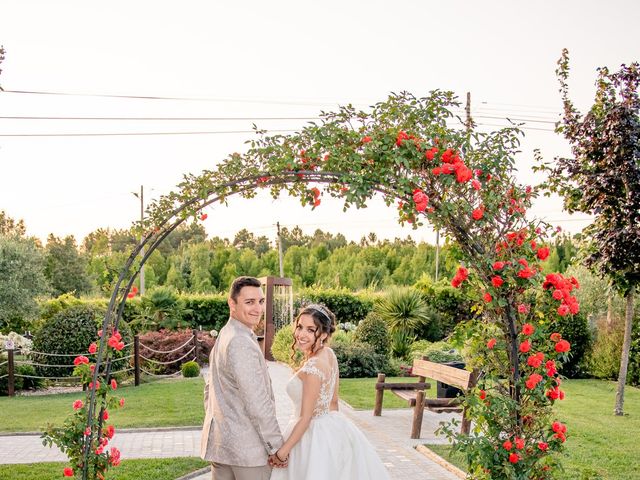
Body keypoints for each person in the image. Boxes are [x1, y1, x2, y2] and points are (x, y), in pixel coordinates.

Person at [270, 304, 391, 480]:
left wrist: (282, 453)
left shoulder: (313, 367)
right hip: (329, 426)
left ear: (324, 334)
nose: (302, 334)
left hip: (307, 437)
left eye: (311, 330)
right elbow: (333, 402)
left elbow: (306, 418)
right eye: (300, 327)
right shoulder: (329, 354)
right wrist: (336, 438)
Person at [201, 276, 284, 480]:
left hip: (222, 448)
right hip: (247, 454)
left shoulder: (225, 333)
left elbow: (209, 390)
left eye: (260, 301)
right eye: (249, 302)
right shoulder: (240, 341)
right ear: (232, 303)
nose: (258, 308)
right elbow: (257, 401)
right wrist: (276, 446)